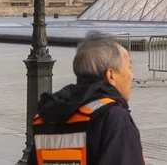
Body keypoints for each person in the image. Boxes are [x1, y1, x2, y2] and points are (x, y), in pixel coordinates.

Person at [32, 31, 145, 165]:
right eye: (129, 67)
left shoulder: (46, 116)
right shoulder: (113, 117)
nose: (132, 76)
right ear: (111, 75)